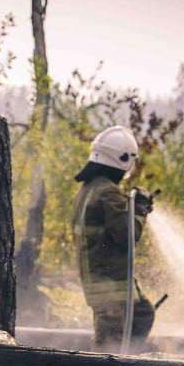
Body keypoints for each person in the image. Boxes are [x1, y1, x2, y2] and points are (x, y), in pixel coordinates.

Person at [71, 125, 156, 349]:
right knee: (109, 344)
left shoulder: (87, 190)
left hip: (106, 281)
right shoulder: (108, 192)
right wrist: (139, 209)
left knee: (143, 314)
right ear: (124, 159)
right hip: (109, 286)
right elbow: (128, 235)